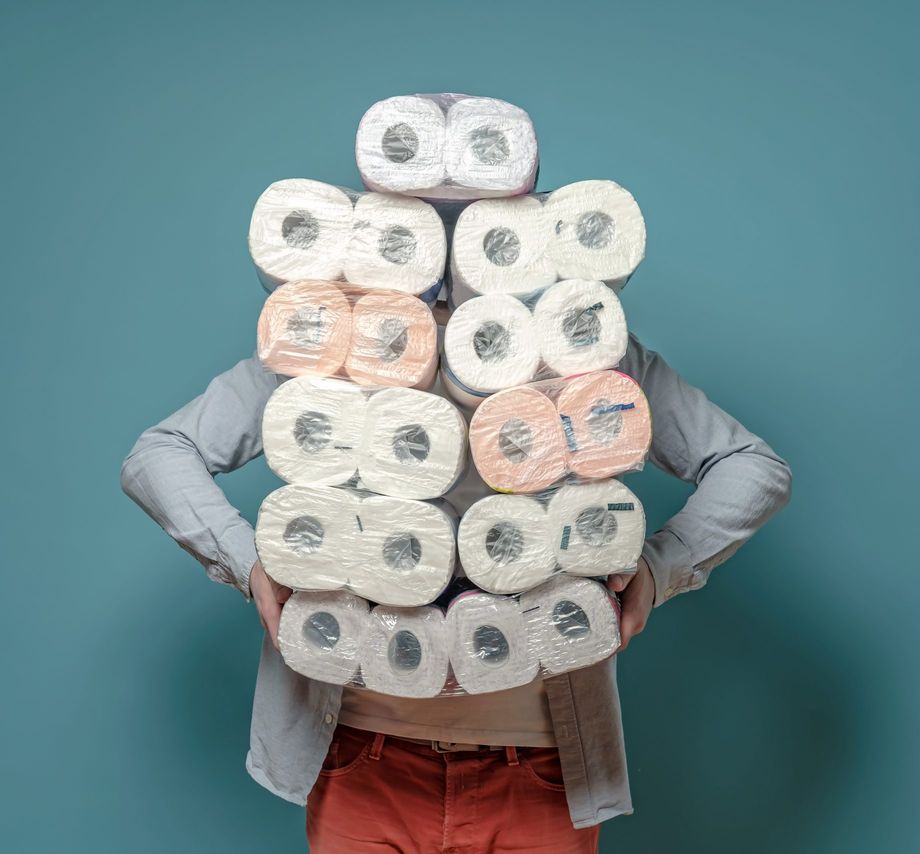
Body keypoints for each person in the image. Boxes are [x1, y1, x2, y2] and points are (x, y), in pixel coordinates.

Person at [121, 326, 791, 853]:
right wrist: (249, 563)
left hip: (540, 770)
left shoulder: (587, 355)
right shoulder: (328, 344)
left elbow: (750, 467)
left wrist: (656, 568)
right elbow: (160, 453)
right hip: (364, 759)